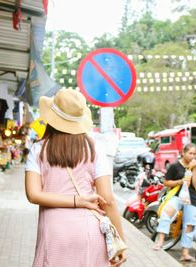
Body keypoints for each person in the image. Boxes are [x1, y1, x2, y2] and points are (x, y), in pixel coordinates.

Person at [25, 88, 126, 267]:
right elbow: (107, 199)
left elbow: (33, 195)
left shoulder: (38, 150)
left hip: (54, 232)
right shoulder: (95, 149)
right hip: (89, 231)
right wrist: (120, 242)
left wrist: (76, 200)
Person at [153, 143, 196, 262]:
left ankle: (185, 253)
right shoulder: (175, 166)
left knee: (189, 225)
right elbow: (166, 182)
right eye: (190, 153)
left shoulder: (195, 166)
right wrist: (180, 181)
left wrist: (193, 168)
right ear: (183, 153)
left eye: (194, 154)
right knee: (166, 213)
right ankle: (160, 241)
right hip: (177, 196)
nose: (192, 156)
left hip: (191, 198)